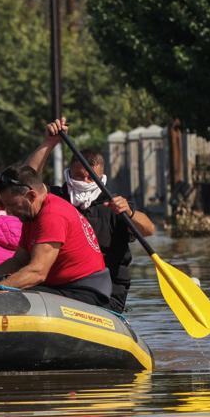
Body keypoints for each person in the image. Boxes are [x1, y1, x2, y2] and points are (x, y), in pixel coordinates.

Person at [26, 118, 156, 312]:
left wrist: (130, 212)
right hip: (62, 287)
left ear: (100, 175)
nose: (85, 181)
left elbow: (149, 229)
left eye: (90, 177)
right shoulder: (55, 198)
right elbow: (27, 181)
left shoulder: (114, 204)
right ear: (69, 173)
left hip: (105, 294)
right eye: (79, 176)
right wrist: (49, 143)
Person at [0, 165, 112, 307]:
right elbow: (20, 259)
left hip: (84, 291)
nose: (9, 212)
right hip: (61, 287)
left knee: (9, 298)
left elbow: (37, 273)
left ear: (31, 196)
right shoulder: (31, 213)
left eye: (12, 205)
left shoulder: (52, 215)